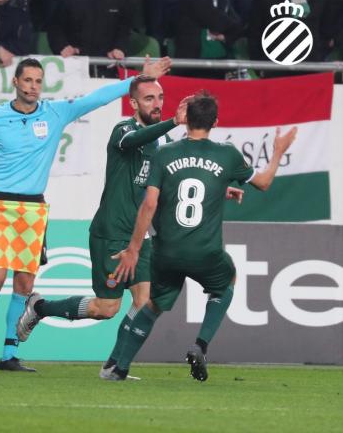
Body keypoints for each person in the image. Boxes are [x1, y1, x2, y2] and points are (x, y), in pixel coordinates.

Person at [16, 76, 243, 380]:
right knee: (106, 308)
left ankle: (115, 367)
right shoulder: (124, 130)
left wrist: (218, 188)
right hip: (111, 233)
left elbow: (166, 188)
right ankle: (40, 307)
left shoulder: (162, 145)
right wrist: (173, 123)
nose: (157, 104)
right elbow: (131, 142)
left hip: (140, 238)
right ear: (134, 103)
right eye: (149, 98)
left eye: (160, 97)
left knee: (146, 301)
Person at [0, 56, 172, 372]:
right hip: (0, 205)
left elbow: (95, 99)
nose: (33, 86)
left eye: (38, 81)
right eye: (27, 80)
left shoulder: (54, 113)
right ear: (15, 82)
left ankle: (8, 355)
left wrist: (137, 79)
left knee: (24, 285)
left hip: (33, 208)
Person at [107, 92, 297, 381]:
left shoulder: (164, 153)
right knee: (226, 283)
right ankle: (200, 345)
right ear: (215, 123)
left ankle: (119, 369)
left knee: (153, 306)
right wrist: (278, 151)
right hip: (205, 252)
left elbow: (150, 204)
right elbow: (264, 183)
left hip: (166, 251)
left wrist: (134, 248)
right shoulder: (227, 154)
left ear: (187, 121)